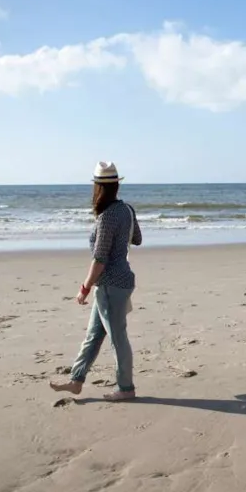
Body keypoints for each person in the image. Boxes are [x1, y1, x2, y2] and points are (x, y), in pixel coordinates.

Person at [51, 161, 142, 401]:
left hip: (111, 285)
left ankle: (126, 388)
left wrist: (84, 288)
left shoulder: (107, 216)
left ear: (98, 187)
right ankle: (76, 380)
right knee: (93, 335)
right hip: (119, 281)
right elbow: (137, 238)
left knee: (118, 338)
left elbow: (99, 258)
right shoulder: (127, 210)